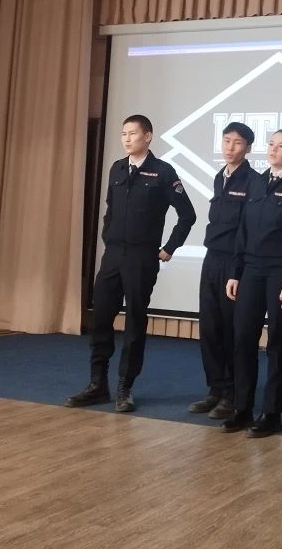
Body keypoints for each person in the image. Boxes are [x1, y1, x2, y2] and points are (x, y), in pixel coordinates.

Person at [67, 114, 196, 413]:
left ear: (147, 136)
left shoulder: (163, 172)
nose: (127, 139)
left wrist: (169, 247)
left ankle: (125, 386)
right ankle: (97, 383)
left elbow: (187, 214)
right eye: (123, 133)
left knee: (135, 322)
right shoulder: (117, 168)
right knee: (101, 318)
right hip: (113, 255)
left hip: (141, 257)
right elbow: (110, 210)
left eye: (133, 133)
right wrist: (108, 235)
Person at [221, 129, 282, 436]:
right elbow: (242, 230)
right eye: (271, 144)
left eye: (281, 146)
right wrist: (235, 271)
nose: (273, 150)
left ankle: (272, 413)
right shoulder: (256, 182)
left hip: (280, 271)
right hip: (251, 269)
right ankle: (242, 408)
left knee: (278, 342)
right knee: (243, 337)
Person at [188, 122, 261, 420]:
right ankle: (216, 389)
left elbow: (248, 228)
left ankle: (232, 395)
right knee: (210, 328)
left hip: (234, 261)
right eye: (226, 140)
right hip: (212, 258)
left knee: (232, 330)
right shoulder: (221, 176)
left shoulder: (254, 181)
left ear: (248, 148)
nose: (230, 147)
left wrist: (238, 269)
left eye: (237, 142)